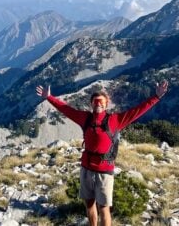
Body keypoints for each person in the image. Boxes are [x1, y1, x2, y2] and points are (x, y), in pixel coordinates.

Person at [36, 81, 168, 226]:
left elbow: (137, 111)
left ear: (106, 105)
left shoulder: (115, 120)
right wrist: (49, 97)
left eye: (101, 102)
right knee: (89, 204)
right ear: (91, 104)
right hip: (86, 169)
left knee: (104, 208)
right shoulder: (85, 118)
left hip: (104, 171)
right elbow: (66, 109)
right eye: (95, 102)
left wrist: (156, 97)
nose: (98, 104)